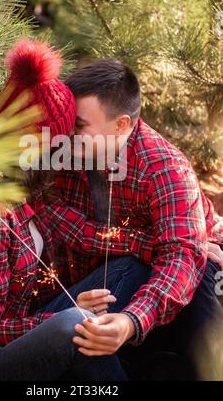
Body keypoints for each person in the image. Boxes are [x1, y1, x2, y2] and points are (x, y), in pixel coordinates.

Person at [0, 39, 137, 382]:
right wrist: (62, 316)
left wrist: (145, 243)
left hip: (13, 334)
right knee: (75, 324)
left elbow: (72, 232)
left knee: (125, 271)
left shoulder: (23, 195)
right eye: (67, 136)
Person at [31, 58, 223, 379]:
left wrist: (131, 321)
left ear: (120, 125)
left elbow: (181, 257)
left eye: (79, 124)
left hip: (187, 281)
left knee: (202, 271)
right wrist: (140, 242)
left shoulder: (163, 167)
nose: (68, 131)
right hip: (104, 283)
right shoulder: (63, 148)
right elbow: (51, 216)